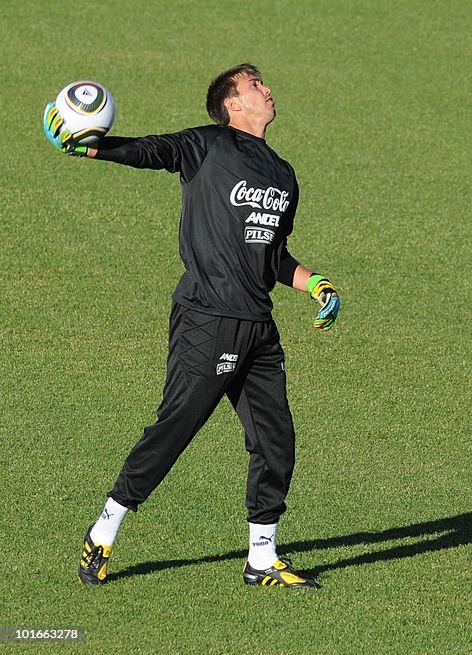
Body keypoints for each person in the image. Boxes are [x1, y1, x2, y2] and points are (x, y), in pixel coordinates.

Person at [43, 64, 339, 589]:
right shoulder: (207, 146)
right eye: (254, 87)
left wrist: (314, 282)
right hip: (208, 318)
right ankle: (104, 529)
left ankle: (262, 558)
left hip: (257, 327)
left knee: (276, 440)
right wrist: (89, 147)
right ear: (232, 104)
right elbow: (149, 151)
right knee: (177, 426)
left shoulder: (283, 173)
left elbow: (271, 256)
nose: (267, 90)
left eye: (263, 84)